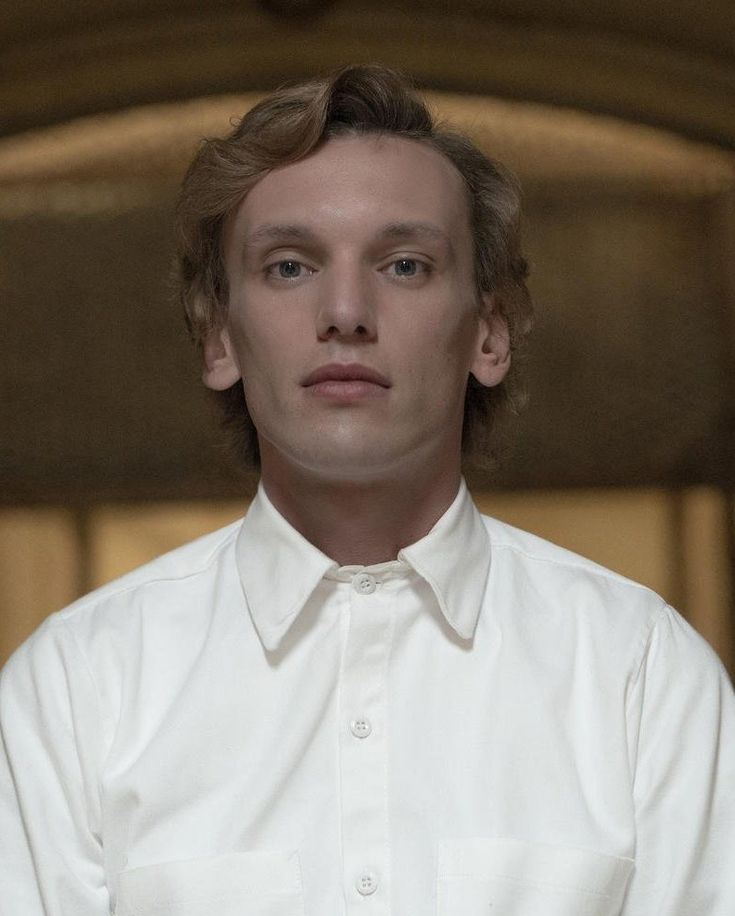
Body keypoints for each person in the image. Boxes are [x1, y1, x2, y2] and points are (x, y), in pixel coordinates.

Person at [1, 65, 733, 916]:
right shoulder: (78, 685)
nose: (345, 311)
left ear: (488, 334)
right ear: (218, 339)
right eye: (288, 266)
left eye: (405, 265)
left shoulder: (639, 673)